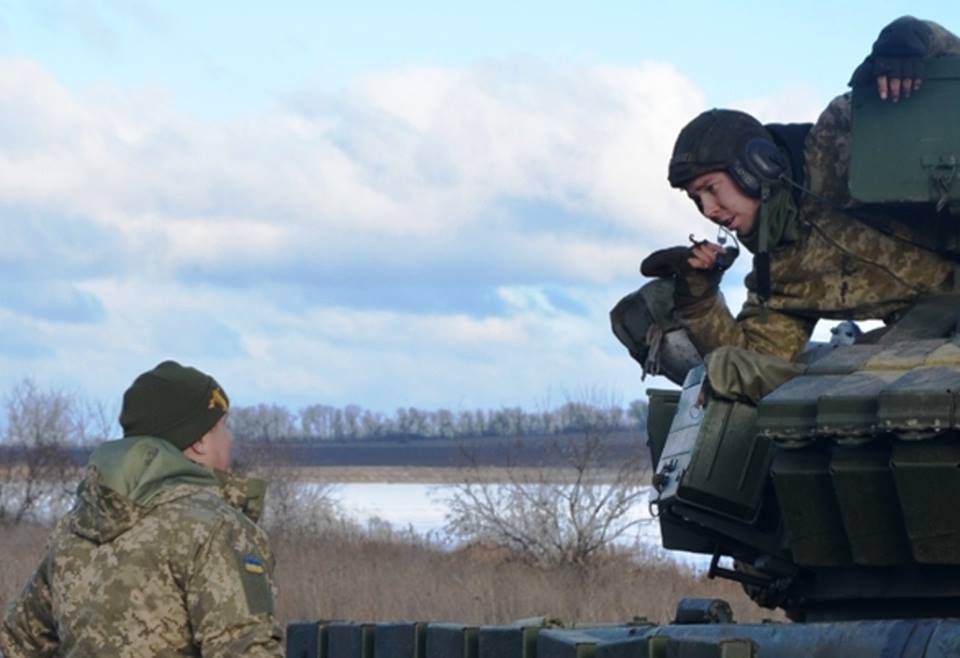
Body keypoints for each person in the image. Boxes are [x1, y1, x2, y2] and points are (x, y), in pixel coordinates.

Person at [639, 16, 960, 379]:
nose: (709, 211)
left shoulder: (840, 141)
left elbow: (948, 87)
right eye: (696, 200)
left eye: (711, 189)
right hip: (938, 341)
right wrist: (697, 299)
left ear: (756, 166)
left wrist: (907, 39)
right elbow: (756, 366)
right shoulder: (777, 276)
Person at [0, 361, 284, 657]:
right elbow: (245, 650)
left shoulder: (76, 527)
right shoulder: (214, 528)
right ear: (200, 440)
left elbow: (19, 640)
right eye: (223, 427)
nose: (231, 439)